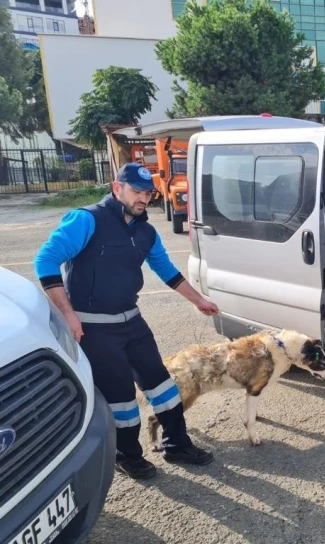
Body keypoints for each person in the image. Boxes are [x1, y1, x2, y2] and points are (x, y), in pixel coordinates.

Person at [34, 162, 220, 480]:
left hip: (132, 322)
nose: (143, 198)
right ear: (116, 187)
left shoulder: (145, 231)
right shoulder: (86, 219)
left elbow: (166, 270)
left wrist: (199, 300)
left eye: (147, 193)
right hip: (95, 328)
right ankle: (128, 456)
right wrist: (68, 313)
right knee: (121, 398)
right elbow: (46, 260)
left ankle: (176, 445)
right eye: (136, 191)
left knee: (163, 386)